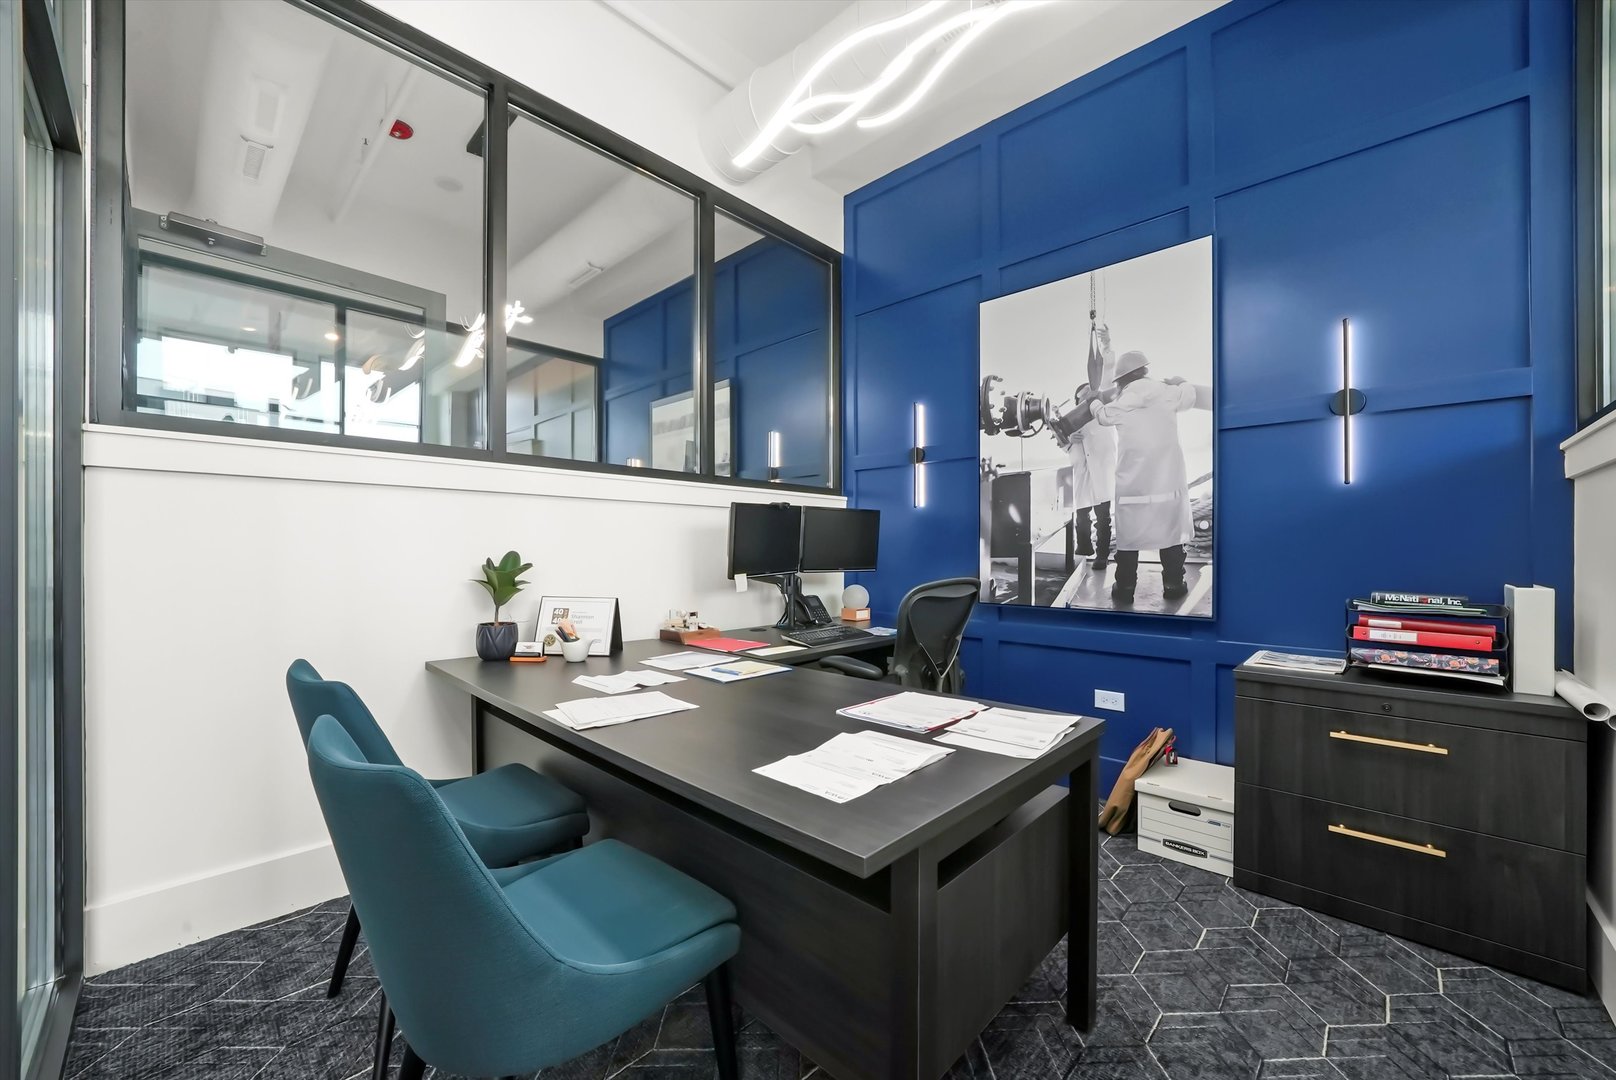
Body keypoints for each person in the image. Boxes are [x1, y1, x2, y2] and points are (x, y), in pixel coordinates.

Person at [1091, 349, 1209, 606]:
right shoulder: (1167, 392)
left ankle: (1124, 589)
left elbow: (1101, 416)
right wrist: (1181, 380)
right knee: (1170, 536)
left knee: (1129, 541)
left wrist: (1094, 401)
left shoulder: (1122, 402)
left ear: (1121, 380)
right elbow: (1188, 396)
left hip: (1133, 488)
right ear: (1146, 370)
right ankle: (1174, 585)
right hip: (1167, 484)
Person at [1067, 325, 1117, 566]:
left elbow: (1107, 372)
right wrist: (1068, 440)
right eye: (1082, 395)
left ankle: (1102, 556)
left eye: (1090, 391)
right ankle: (1083, 549)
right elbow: (1060, 440)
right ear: (1076, 401)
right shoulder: (1072, 422)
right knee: (1081, 518)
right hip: (1083, 477)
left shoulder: (1102, 411)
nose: (1087, 396)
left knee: (1103, 517)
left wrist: (1106, 345)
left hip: (1104, 473)